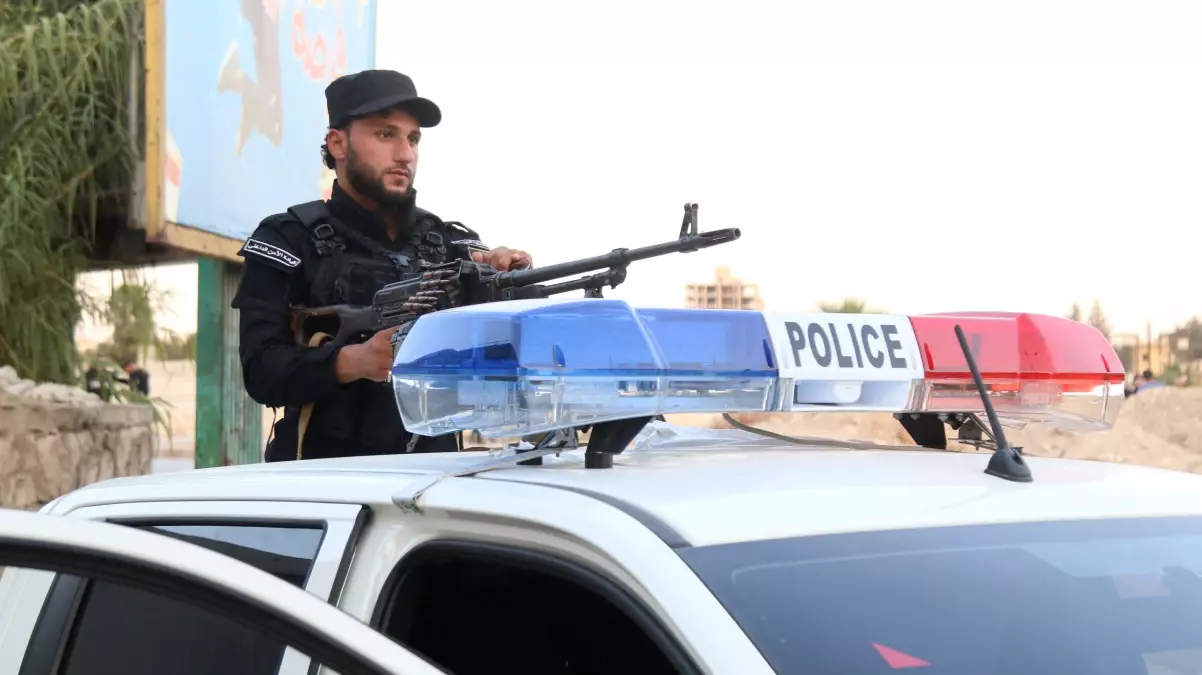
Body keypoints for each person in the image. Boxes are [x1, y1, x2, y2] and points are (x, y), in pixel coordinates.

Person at [232, 69, 532, 462]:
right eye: (385, 134)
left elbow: (512, 359)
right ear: (338, 143)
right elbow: (261, 373)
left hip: (435, 475)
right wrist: (352, 361)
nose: (405, 155)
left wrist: (507, 283)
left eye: (413, 138)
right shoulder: (289, 239)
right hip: (322, 481)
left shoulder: (451, 244)